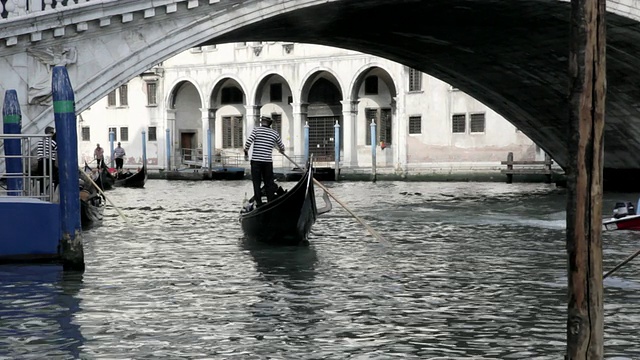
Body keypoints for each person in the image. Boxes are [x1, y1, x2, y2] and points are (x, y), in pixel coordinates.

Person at [244, 116, 285, 207]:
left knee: (256, 183)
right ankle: (270, 201)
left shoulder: (256, 130)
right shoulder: (274, 133)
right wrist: (281, 150)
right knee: (269, 183)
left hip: (256, 162)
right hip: (267, 162)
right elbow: (282, 147)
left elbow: (248, 143)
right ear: (270, 123)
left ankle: (259, 203)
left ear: (262, 122)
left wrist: (246, 153)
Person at [36, 126, 59, 194]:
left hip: (40, 163)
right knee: (58, 176)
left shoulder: (40, 141)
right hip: (48, 163)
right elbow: (58, 151)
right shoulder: (52, 142)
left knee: (42, 178)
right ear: (50, 133)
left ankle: (42, 192)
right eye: (52, 132)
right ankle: (54, 192)